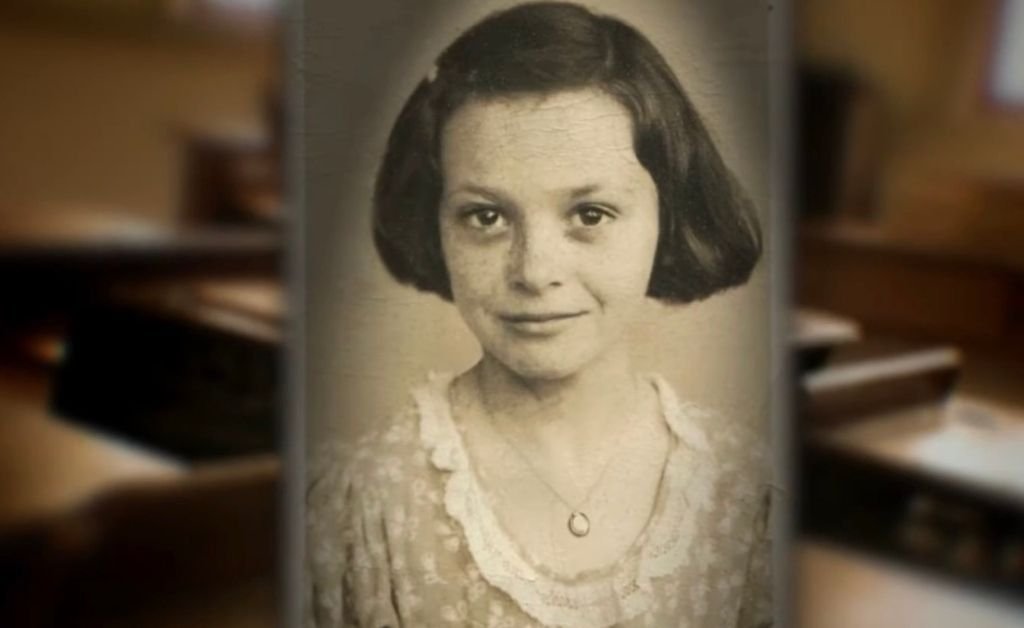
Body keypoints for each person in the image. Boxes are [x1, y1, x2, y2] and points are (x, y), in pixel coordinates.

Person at [307, 3, 770, 627]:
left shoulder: (744, 498)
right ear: (435, 225)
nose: (534, 271)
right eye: (486, 217)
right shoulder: (361, 505)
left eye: (590, 214)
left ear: (667, 218)